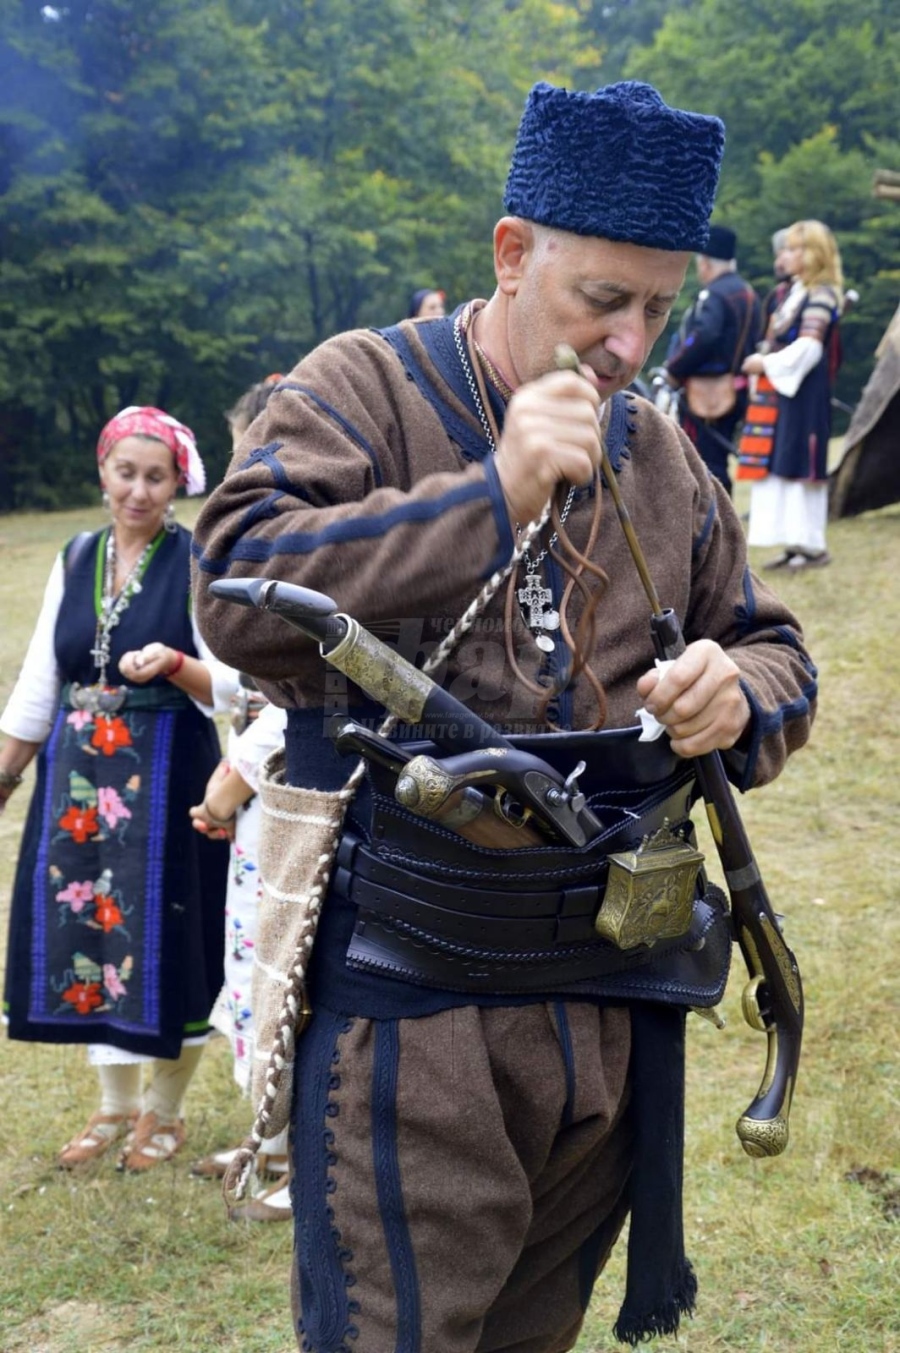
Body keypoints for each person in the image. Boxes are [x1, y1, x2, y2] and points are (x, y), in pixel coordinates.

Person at [192, 81, 817, 1352]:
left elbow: (776, 647)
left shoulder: (663, 457)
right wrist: (494, 491)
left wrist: (733, 688)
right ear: (513, 254)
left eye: (661, 306)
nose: (632, 344)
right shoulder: (362, 387)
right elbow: (240, 588)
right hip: (411, 1011)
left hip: (614, 1001)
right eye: (603, 299)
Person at [0, 406, 236, 1172]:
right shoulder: (75, 557)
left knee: (168, 936)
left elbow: (229, 689)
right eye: (125, 472)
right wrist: (4, 775)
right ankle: (113, 1107)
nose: (138, 490)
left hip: (168, 778)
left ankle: (163, 1116)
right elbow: (42, 680)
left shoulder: (197, 559)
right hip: (79, 785)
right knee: (91, 936)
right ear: (102, 471)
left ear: (177, 485)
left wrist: (172, 661)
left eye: (155, 477)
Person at [187, 376, 291, 1222]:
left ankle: (305, 1153)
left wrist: (233, 778)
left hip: (300, 802)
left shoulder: (314, 539)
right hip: (261, 813)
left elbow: (311, 694)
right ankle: (270, 1134)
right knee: (254, 963)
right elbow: (250, 680)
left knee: (294, 968)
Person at [741, 219, 844, 570]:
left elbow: (810, 347)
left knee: (800, 460)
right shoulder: (794, 291)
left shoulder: (822, 292)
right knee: (781, 459)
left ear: (812, 253)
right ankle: (794, 543)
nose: (785, 254)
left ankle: (811, 545)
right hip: (784, 392)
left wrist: (766, 364)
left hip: (804, 394)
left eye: (793, 248)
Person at [663, 224, 761, 495]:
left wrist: (674, 368)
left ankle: (715, 526)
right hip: (735, 388)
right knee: (715, 460)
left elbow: (703, 336)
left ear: (705, 263)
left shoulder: (714, 295)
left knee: (706, 462)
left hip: (707, 392)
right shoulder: (747, 292)